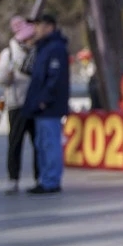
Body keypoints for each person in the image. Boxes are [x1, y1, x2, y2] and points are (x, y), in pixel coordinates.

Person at [20, 13, 70, 195]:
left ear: (50, 27)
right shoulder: (43, 48)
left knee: (50, 143)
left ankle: (51, 180)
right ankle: (45, 178)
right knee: (42, 144)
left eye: (39, 25)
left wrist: (43, 100)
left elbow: (54, 79)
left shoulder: (55, 48)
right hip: (40, 106)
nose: (36, 30)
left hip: (49, 107)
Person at [0, 15, 37, 194]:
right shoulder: (8, 53)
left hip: (34, 103)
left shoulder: (36, 51)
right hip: (16, 103)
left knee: (38, 143)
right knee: (15, 143)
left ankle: (39, 176)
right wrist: (7, 76)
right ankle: (13, 178)